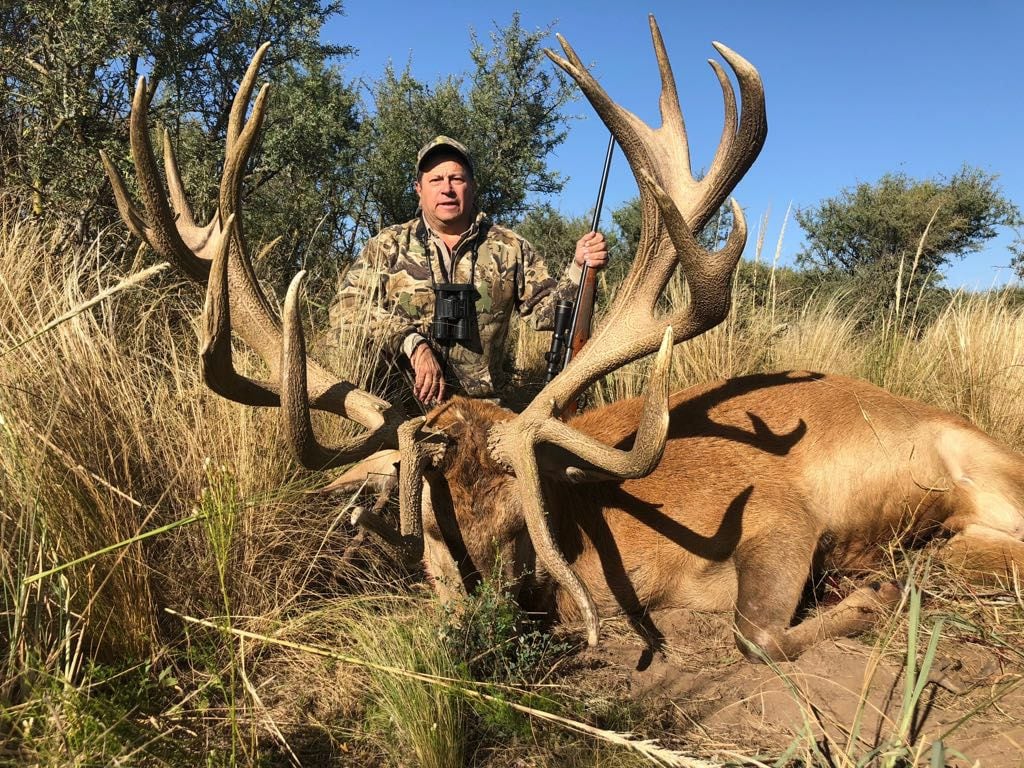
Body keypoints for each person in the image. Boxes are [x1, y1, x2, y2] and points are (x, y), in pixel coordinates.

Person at [329, 135, 607, 406]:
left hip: (486, 412)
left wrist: (577, 269)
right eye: (435, 180)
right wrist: (412, 343)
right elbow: (346, 309)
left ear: (472, 186)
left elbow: (547, 315)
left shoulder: (509, 246)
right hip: (402, 413)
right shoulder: (388, 245)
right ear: (418, 189)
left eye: (457, 179)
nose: (446, 188)